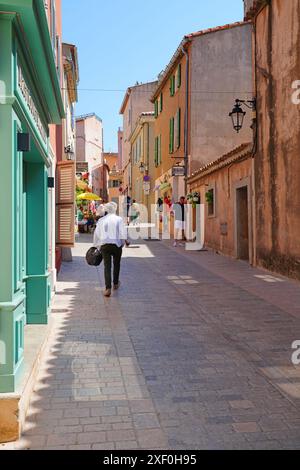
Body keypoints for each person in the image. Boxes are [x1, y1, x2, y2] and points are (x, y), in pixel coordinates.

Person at [93, 202, 127, 297]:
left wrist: (96, 245)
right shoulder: (119, 219)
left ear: (107, 210)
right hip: (116, 245)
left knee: (107, 266)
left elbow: (97, 234)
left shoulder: (101, 220)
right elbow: (123, 232)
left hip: (105, 245)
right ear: (115, 209)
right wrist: (123, 243)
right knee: (117, 264)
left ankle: (108, 288)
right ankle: (115, 283)